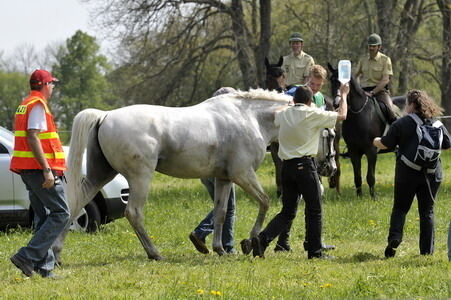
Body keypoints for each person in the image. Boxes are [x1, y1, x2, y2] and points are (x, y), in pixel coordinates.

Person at [252, 84, 349, 259]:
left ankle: (262, 239)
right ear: (310, 101)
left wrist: (291, 103)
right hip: (305, 167)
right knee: (314, 209)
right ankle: (315, 252)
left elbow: (276, 112)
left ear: (294, 99)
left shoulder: (284, 114)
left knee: (287, 211)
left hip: (287, 168)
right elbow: (342, 115)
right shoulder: (312, 114)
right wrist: (343, 95)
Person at [373, 90, 450, 258]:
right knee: (427, 211)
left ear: (412, 105)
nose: (404, 107)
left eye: (406, 103)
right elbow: (447, 144)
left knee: (400, 208)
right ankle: (426, 252)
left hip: (407, 173)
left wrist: (375, 140)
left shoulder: (402, 123)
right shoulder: (437, 124)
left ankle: (394, 240)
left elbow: (386, 144)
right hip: (432, 174)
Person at [9, 69, 70, 278]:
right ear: (44, 85)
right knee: (62, 213)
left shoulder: (25, 104)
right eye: (52, 84)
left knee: (44, 215)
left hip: (28, 168)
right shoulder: (37, 105)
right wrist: (47, 170)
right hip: (39, 170)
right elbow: (33, 137)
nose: (53, 87)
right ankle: (27, 256)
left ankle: (44, 269)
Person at [276, 65, 336, 253]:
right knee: (296, 204)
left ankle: (313, 242)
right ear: (307, 79)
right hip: (297, 153)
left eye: (318, 84)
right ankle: (284, 240)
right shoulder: (297, 93)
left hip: (312, 153)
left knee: (313, 200)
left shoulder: (318, 97)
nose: (315, 87)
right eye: (312, 83)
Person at [189, 87, 237, 254]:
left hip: (204, 171)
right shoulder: (226, 125)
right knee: (227, 207)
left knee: (222, 205)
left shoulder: (206, 123)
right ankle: (205, 235)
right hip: (219, 172)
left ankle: (222, 243)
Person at [355, 33, 396, 123]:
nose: (371, 48)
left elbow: (385, 80)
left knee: (390, 111)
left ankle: (394, 130)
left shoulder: (385, 60)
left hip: (380, 92)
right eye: (370, 46)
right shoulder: (363, 59)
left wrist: (373, 92)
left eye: (374, 46)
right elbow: (355, 75)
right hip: (363, 91)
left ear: (379, 47)